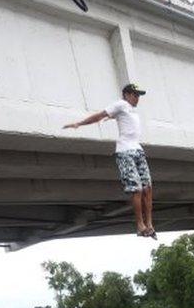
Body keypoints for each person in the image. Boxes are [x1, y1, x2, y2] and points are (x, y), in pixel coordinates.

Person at [63, 83, 156, 239]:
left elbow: (113, 116)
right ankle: (140, 225)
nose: (137, 98)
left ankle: (150, 225)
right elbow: (99, 115)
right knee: (137, 189)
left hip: (138, 150)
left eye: (138, 95)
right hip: (125, 151)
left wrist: (110, 117)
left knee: (148, 188)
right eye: (134, 95)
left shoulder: (131, 110)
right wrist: (79, 123)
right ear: (126, 94)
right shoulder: (120, 104)